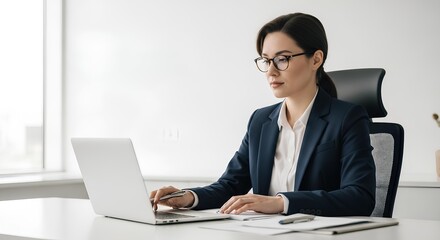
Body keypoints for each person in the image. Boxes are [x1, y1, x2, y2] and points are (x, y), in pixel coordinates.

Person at [150, 12, 376, 217]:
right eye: (267, 60)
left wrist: (281, 203)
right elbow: (230, 185)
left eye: (282, 59)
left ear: (316, 59)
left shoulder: (347, 118)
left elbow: (359, 198)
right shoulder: (261, 121)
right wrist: (188, 197)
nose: (270, 71)